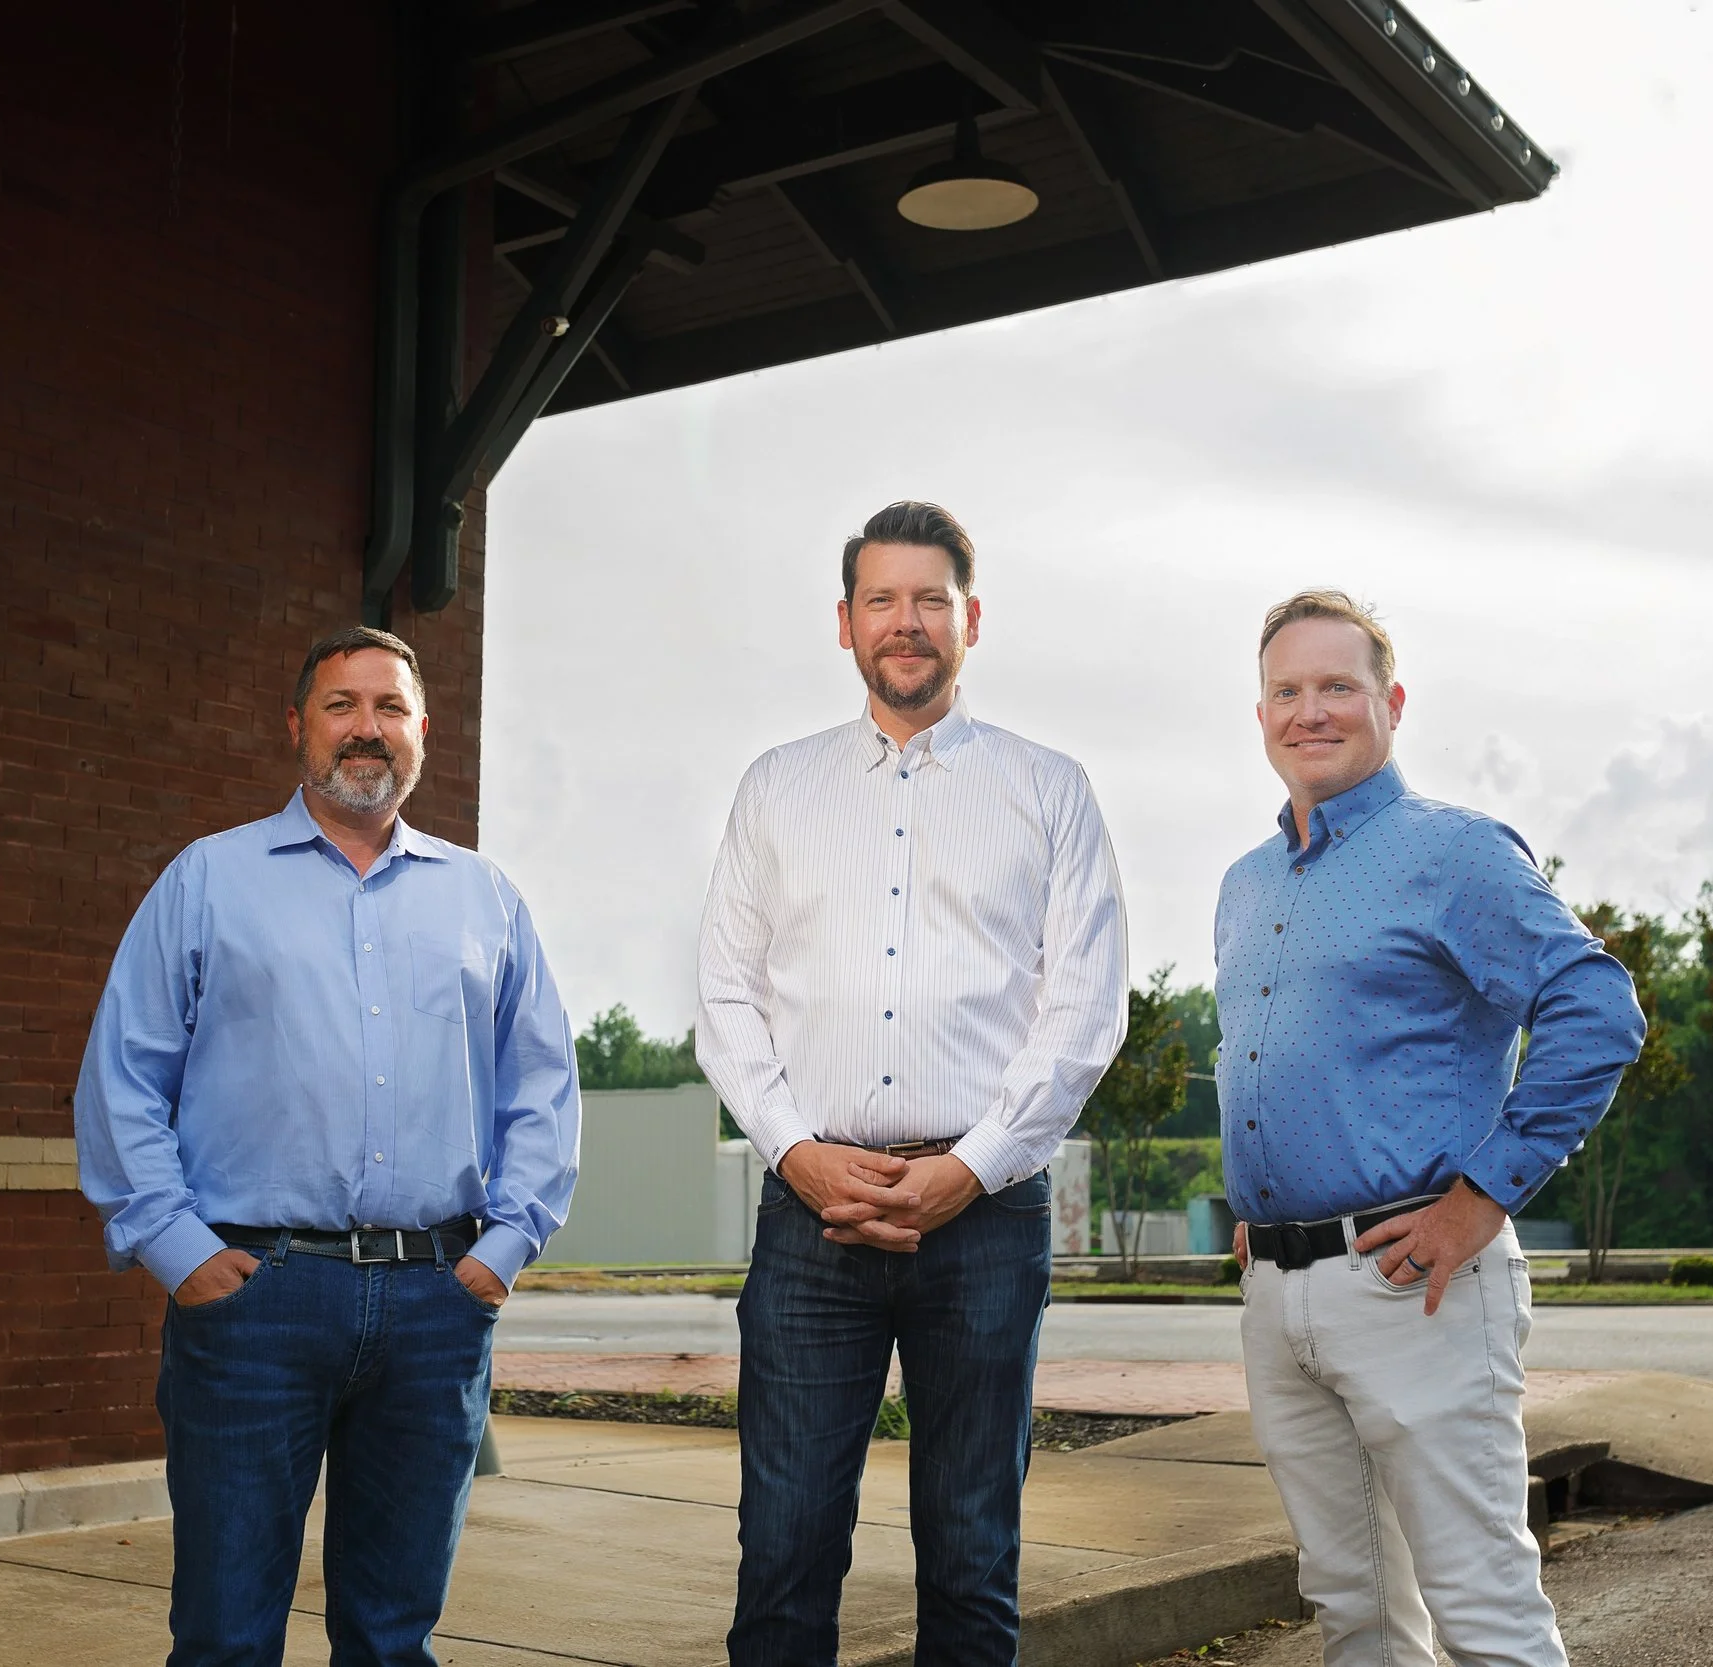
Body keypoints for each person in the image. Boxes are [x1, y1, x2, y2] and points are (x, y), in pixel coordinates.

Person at [73, 625, 579, 1667]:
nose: (367, 728)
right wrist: (178, 1249)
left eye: (389, 707)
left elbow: (541, 1086)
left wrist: (501, 1251)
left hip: (436, 1303)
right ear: (296, 725)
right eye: (342, 704)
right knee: (225, 1632)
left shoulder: (484, 900)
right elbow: (123, 1077)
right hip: (258, 1297)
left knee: (394, 1638)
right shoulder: (208, 879)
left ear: (422, 732)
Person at [696, 501, 1129, 1666]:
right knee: (783, 1546)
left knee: (972, 1547)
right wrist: (793, 1147)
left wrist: (968, 1167)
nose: (907, 622)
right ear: (845, 624)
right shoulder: (776, 788)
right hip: (810, 1215)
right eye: (881, 600)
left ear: (970, 619)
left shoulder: (1049, 789)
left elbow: (1084, 1009)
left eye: (930, 599)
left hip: (985, 1218)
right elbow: (725, 997)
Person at [1217, 591, 1644, 1667]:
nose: (1308, 710)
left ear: (1390, 702)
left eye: (1336, 686)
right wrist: (1266, 1204)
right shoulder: (1244, 883)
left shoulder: (1450, 853)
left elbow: (1597, 1009)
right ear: (1260, 711)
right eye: (1285, 690)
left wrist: (1484, 1193)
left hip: (1417, 1282)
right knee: (1353, 1607)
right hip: (1279, 1293)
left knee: (1481, 1605)